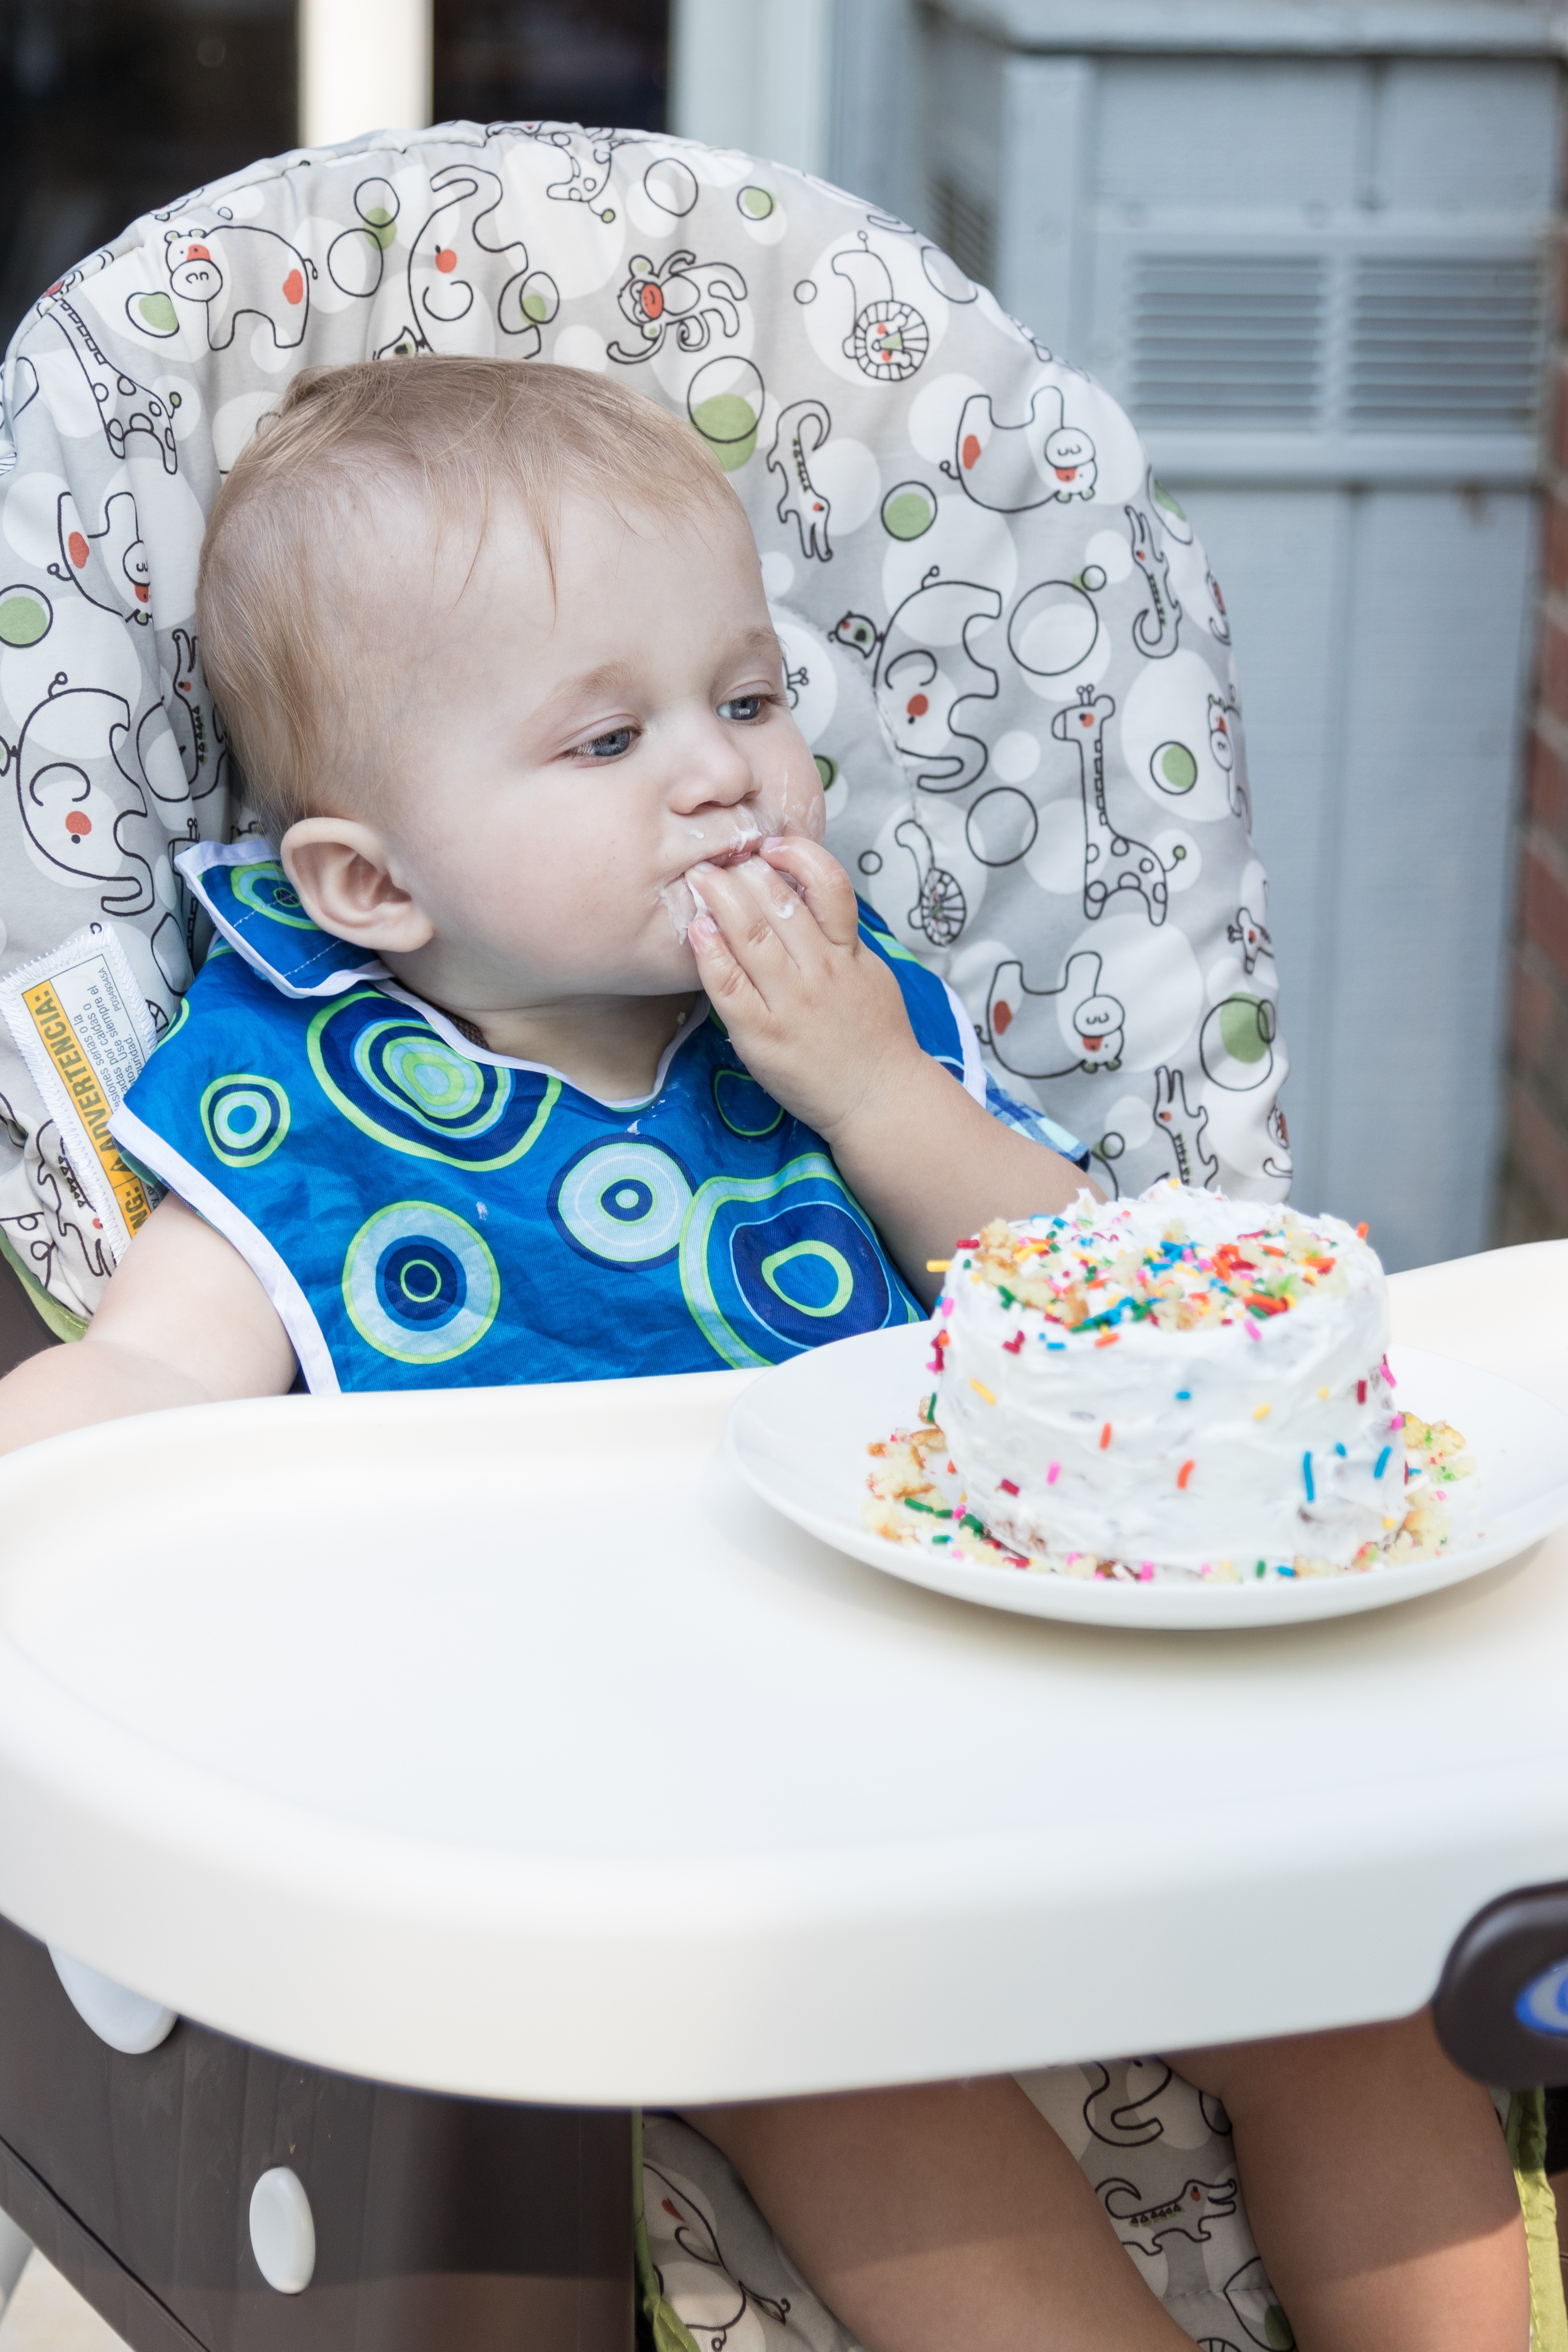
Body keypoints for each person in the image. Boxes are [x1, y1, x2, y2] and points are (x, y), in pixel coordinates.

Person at [0, 358, 1527, 2351]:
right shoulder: (298, 1103)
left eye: (743, 698)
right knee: (857, 2072)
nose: (721, 771)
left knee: (1349, 1984)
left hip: (1025, 1712)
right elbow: (152, 1383)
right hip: (664, 1819)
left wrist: (874, 1090)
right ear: (372, 881)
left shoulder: (839, 1018)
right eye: (608, 734)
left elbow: (1093, 1305)